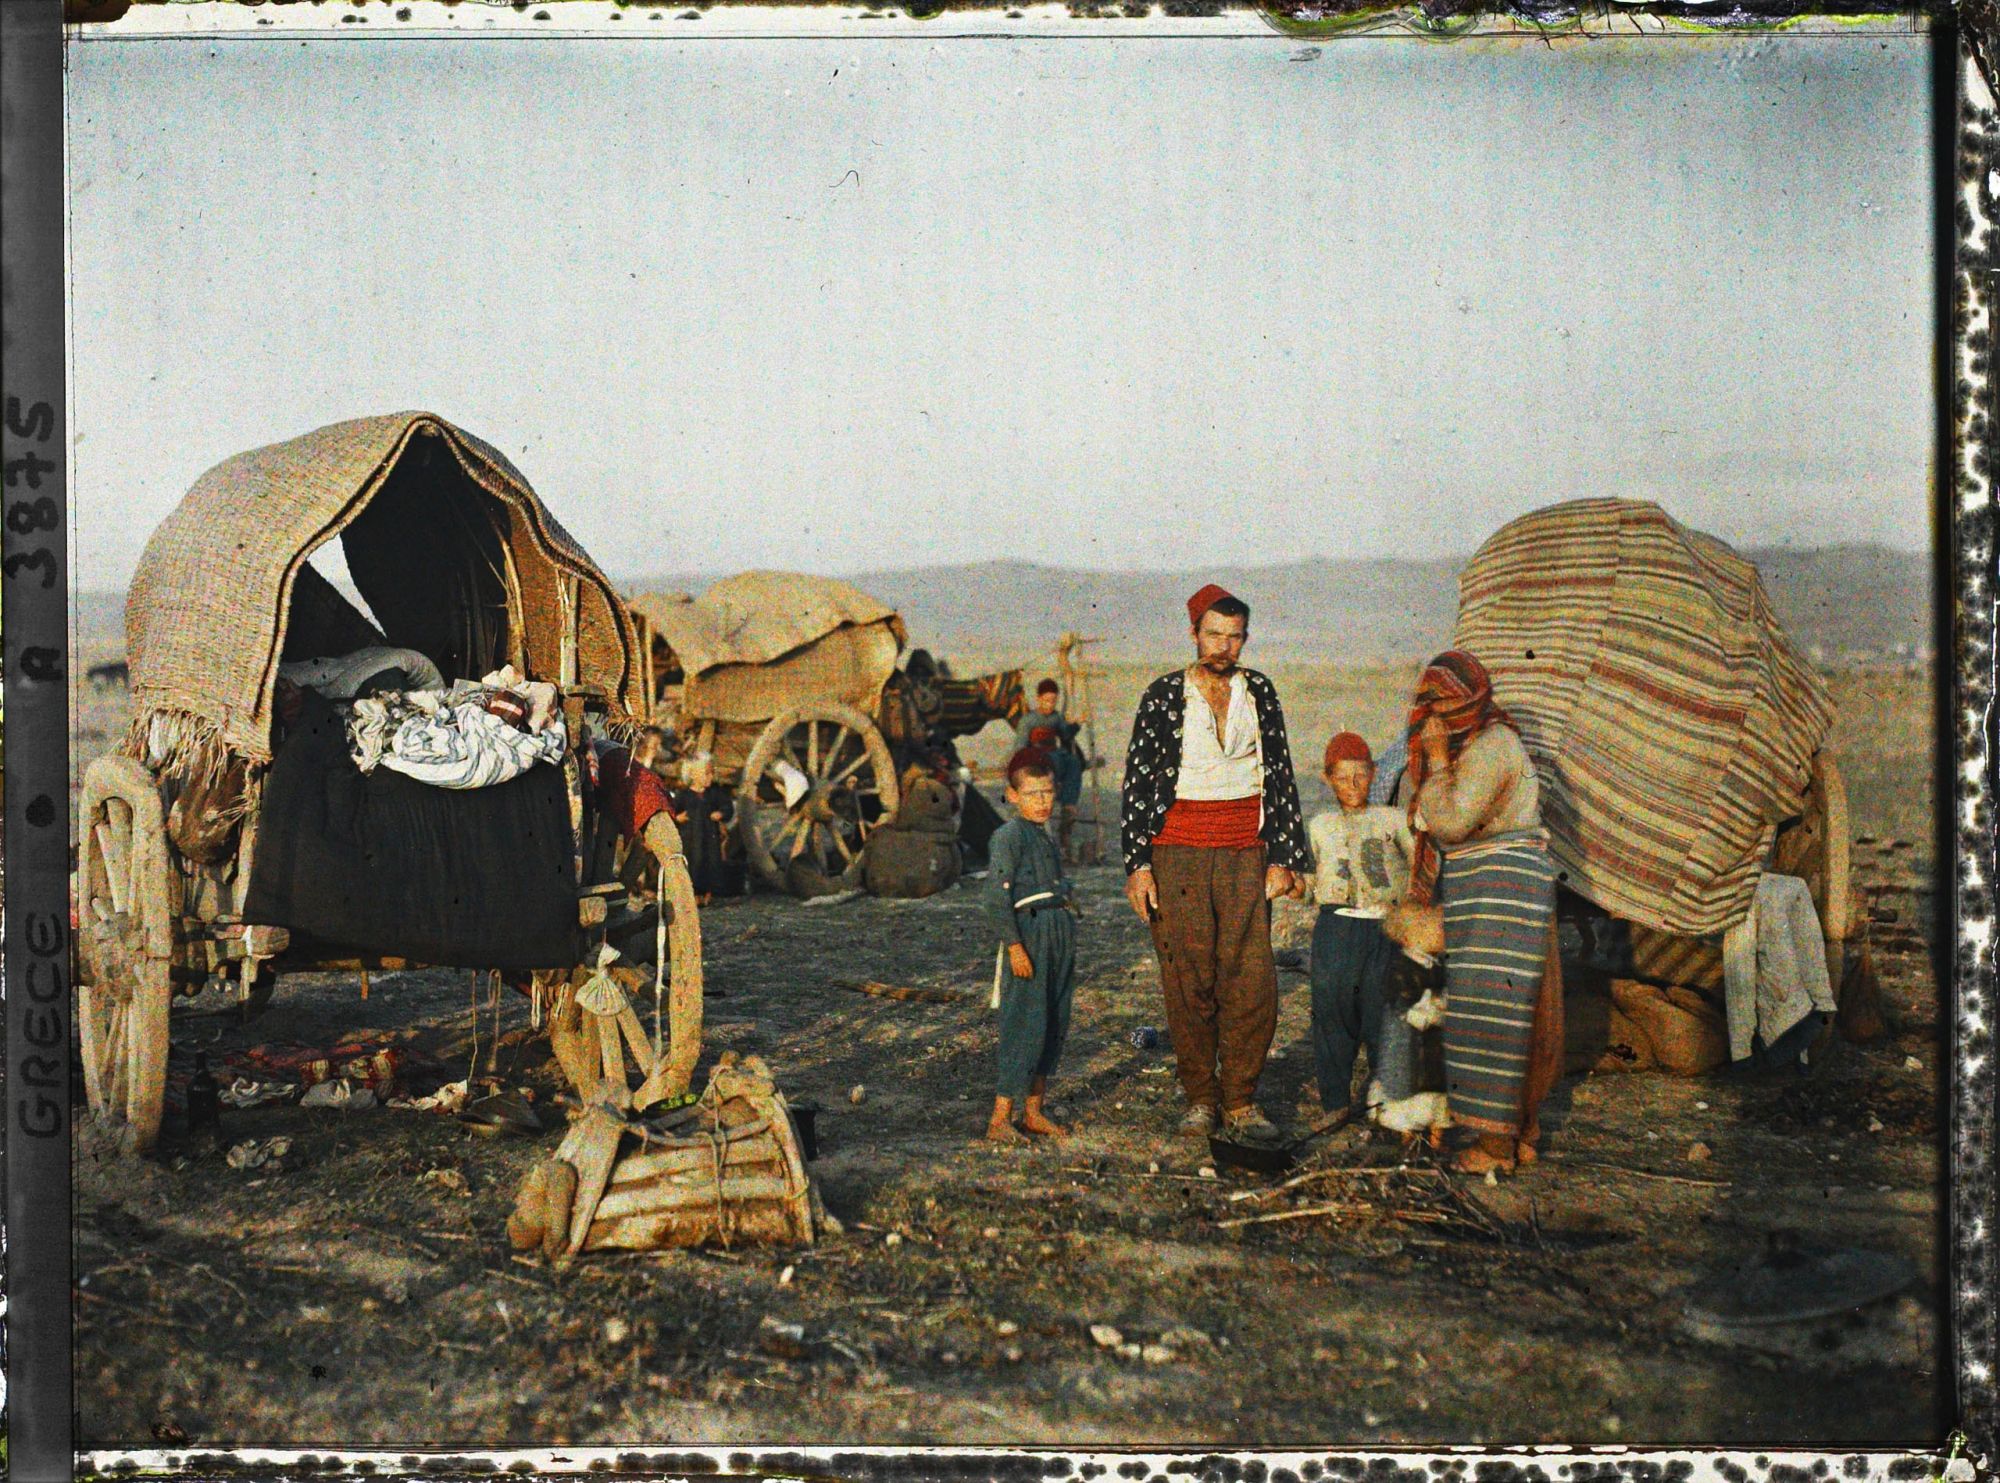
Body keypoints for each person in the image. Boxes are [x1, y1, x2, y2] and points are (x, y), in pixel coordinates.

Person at [1121, 584, 1311, 1144]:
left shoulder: (1259, 691)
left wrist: (1285, 856)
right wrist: (1138, 865)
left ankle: (1242, 1099)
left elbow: (1280, 773)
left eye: (1235, 637)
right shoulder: (1163, 695)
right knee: (1189, 979)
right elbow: (1136, 784)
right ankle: (1201, 1098)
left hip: (1243, 855)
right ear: (1194, 634)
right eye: (1213, 635)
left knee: (1251, 980)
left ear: (1244, 638)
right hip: (1176, 855)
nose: (1224, 647)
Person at [1403, 649, 1562, 1175]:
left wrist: (1438, 759)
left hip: (1501, 887)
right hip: (1496, 888)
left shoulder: (1492, 745)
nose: (1436, 718)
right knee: (1517, 1013)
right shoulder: (1484, 741)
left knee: (1493, 1012)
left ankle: (1495, 1148)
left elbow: (1450, 821)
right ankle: (1520, 1136)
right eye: (1432, 706)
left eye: (1445, 706)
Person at [1304, 731, 1417, 1120]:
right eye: (1342, 777)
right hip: (1336, 929)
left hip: (1384, 928)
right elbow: (1311, 880)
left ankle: (1386, 1103)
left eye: (1361, 775)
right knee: (1332, 1011)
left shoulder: (1394, 820)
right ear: (1327, 778)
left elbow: (1419, 868)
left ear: (1374, 773)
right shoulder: (1320, 825)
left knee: (1382, 1012)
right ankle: (1335, 1103)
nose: (1352, 785)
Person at [984, 747, 1080, 1146]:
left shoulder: (1044, 837)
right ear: (1012, 795)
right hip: (1029, 934)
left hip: (1057, 932)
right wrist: (1015, 946)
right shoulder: (1008, 836)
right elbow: (996, 898)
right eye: (1032, 793)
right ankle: (999, 1118)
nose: (1042, 802)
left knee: (1054, 1020)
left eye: (1048, 792)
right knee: (1024, 1021)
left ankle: (1034, 1112)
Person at [1020, 679, 1085, 860]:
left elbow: (1066, 735)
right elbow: (1020, 745)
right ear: (1039, 699)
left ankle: (1068, 806)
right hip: (1038, 757)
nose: (1050, 705)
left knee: (1073, 763)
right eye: (1046, 700)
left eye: (1053, 701)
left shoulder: (1056, 718)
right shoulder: (1029, 720)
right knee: (1052, 765)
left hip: (1056, 754)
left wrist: (1076, 724)